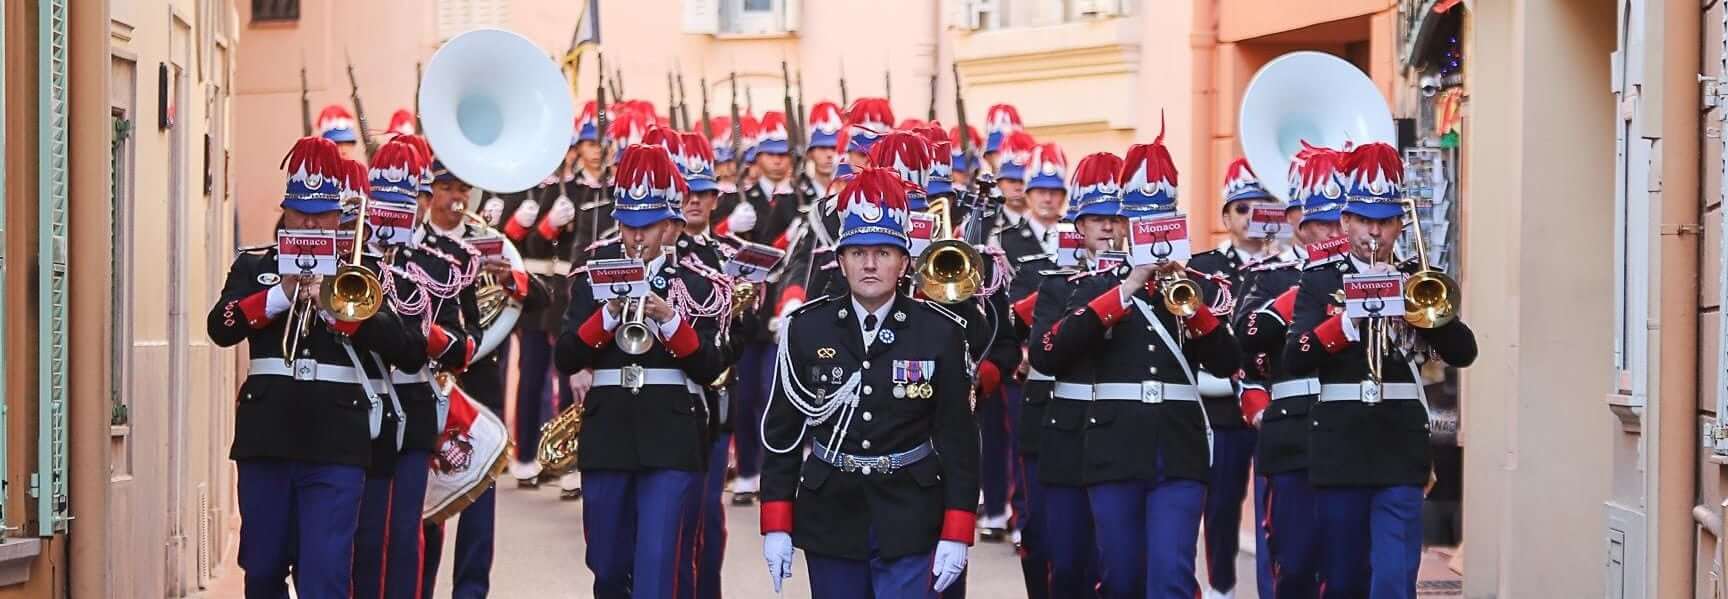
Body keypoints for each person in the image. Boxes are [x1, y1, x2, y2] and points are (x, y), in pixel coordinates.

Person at [208, 136, 421, 598]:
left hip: (336, 443)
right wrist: (279, 295)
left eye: (322, 213)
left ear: (338, 216)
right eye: (300, 211)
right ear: (285, 211)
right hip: (267, 438)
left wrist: (340, 308)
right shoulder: (254, 266)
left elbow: (408, 348)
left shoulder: (364, 273)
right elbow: (221, 325)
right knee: (262, 570)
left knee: (325, 577)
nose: (309, 222)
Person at [759, 166, 979, 599]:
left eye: (883, 252)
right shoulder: (808, 328)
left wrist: (957, 527)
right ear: (840, 261)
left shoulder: (940, 332)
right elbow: (782, 436)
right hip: (832, 511)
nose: (870, 264)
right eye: (858, 253)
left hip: (912, 511)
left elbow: (959, 439)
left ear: (904, 261)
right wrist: (777, 523)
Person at [1045, 139, 1243, 599]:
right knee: (1121, 579)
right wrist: (1130, 286)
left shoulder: (1199, 286)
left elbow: (1227, 361)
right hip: (1112, 448)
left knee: (1171, 576)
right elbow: (1055, 352)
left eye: (1160, 222)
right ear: (1122, 228)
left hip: (1178, 449)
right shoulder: (1092, 285)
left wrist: (1191, 305)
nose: (1149, 233)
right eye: (1138, 223)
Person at [1282, 142, 1477, 599]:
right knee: (1345, 579)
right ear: (1346, 221)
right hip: (1340, 446)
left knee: (1394, 578)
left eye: (1385, 222)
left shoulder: (1415, 277)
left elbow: (1464, 352)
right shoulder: (1321, 279)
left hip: (1399, 449)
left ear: (1399, 224)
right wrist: (1346, 323)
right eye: (1365, 221)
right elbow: (1296, 358)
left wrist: (1422, 310)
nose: (1375, 233)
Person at [555, 144, 727, 599]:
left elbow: (711, 365)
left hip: (670, 435)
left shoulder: (697, 282)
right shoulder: (594, 274)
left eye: (647, 227)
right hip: (608, 431)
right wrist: (608, 317)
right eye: (627, 226)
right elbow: (566, 356)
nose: (635, 238)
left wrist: (669, 319)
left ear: (670, 226)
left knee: (656, 567)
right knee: (608, 566)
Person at [1236, 144, 1347, 599]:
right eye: (1313, 219)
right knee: (1293, 561)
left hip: (1355, 428)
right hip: (1292, 427)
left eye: (1336, 219)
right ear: (1294, 221)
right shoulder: (1269, 275)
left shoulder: (1371, 273)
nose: (1325, 230)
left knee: (1348, 564)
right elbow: (1246, 339)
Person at [1023, 151, 1126, 599]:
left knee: (1119, 567)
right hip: (1067, 437)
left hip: (1126, 437)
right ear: (1078, 227)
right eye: (1096, 218)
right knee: (1065, 565)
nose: (1107, 227)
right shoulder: (1055, 285)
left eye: (1116, 218)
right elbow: (1047, 353)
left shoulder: (1157, 282)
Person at [1185, 156, 1275, 599]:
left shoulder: (1293, 264)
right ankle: (1221, 586)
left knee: (1277, 505)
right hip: (1221, 406)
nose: (1253, 217)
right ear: (1226, 216)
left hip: (1277, 399)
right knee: (1220, 503)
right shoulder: (1203, 265)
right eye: (1243, 208)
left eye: (1264, 206)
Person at [998, 139, 1070, 599]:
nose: (1048, 198)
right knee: (1026, 471)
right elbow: (999, 309)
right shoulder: (1004, 242)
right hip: (1025, 370)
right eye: (1041, 189)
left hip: (1069, 368)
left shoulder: (1076, 238)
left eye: (1056, 190)